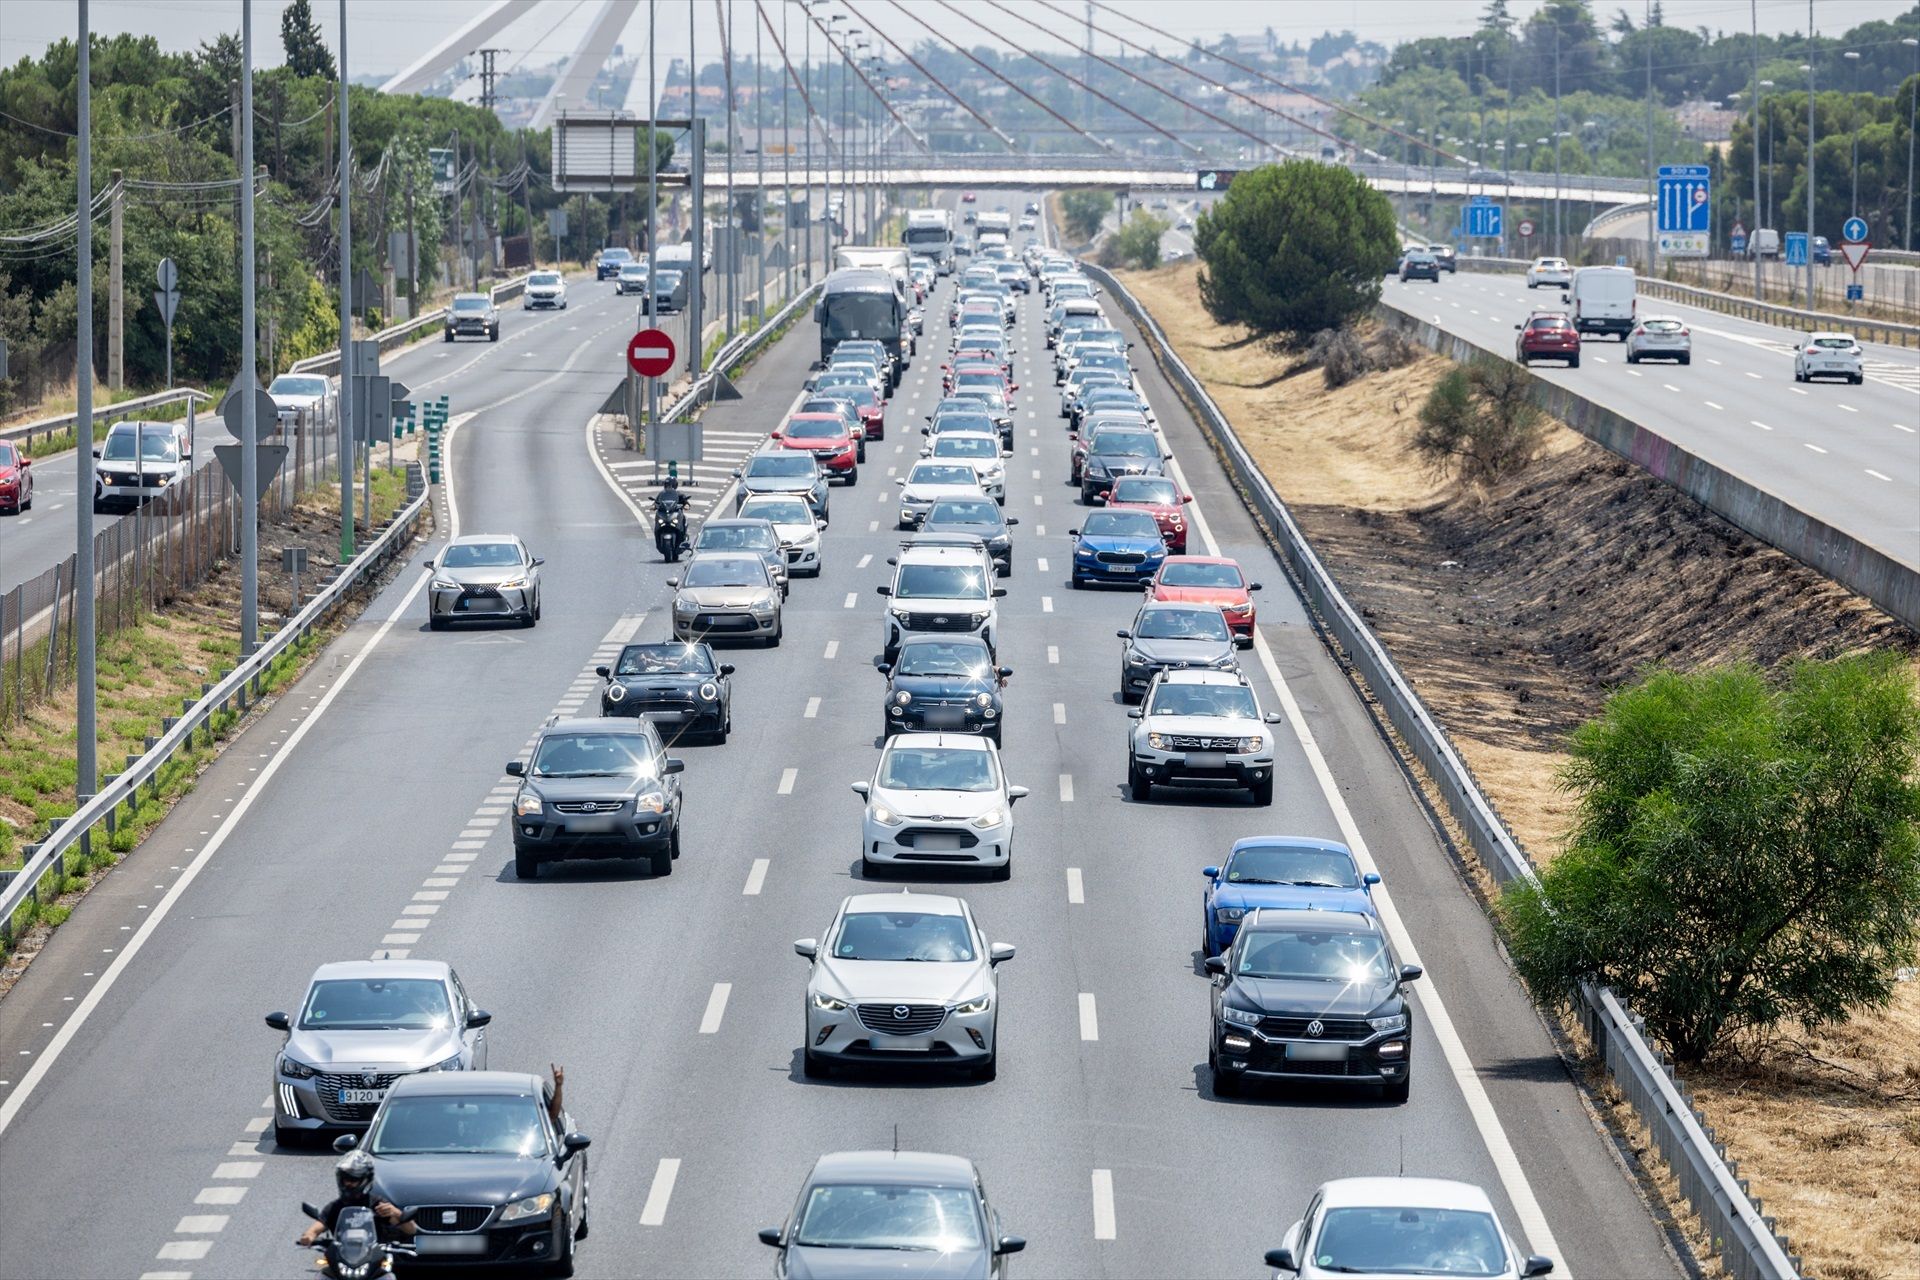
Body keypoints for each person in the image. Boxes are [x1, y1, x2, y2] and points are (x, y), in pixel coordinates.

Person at [296, 1150, 415, 1247]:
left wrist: (396, 1213)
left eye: (353, 1180)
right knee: (323, 1275)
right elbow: (316, 1228)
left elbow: (411, 1230)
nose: (348, 1183)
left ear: (366, 1180)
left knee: (387, 1277)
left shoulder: (379, 1205)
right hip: (342, 1257)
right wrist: (308, 1237)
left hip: (373, 1258)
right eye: (345, 1179)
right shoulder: (335, 1207)